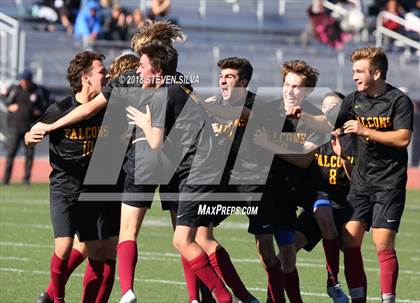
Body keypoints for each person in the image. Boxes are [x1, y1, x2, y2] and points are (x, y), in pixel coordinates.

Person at [26, 51, 117, 303]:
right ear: (87, 77)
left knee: (98, 250)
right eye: (102, 72)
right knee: (64, 247)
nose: (107, 75)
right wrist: (29, 137)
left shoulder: (105, 107)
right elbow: (33, 131)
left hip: (94, 190)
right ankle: (58, 299)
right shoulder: (60, 109)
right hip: (64, 187)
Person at [334, 46, 413, 303]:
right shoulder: (352, 100)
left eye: (359, 71)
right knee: (349, 239)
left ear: (376, 73)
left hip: (389, 183)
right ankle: (358, 299)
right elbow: (328, 123)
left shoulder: (399, 101)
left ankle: (387, 299)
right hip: (360, 182)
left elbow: (403, 139)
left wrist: (364, 130)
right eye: (353, 71)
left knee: (382, 244)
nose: (354, 76)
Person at [253, 60, 326, 303]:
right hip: (265, 189)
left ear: (308, 91)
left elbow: (304, 159)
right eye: (286, 84)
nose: (290, 90)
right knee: (264, 251)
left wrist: (270, 145)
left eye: (296, 86)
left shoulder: (315, 117)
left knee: (286, 253)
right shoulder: (267, 110)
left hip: (291, 191)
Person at [294, 92, 354, 303]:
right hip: (317, 201)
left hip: (343, 205)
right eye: (325, 106)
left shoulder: (350, 139)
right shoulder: (314, 135)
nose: (328, 110)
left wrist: (343, 156)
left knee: (352, 253)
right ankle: (273, 295)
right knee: (287, 249)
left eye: (334, 106)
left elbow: (357, 178)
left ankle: (340, 286)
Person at [2, 70, 48, 185]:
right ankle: (5, 179)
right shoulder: (15, 89)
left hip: (30, 128)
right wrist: (9, 106)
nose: (23, 83)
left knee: (29, 154)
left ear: (29, 81)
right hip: (15, 127)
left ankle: (26, 179)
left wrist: (39, 111)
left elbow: (45, 104)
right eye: (21, 80)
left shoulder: (37, 90)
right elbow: (5, 99)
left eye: (25, 81)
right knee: (11, 153)